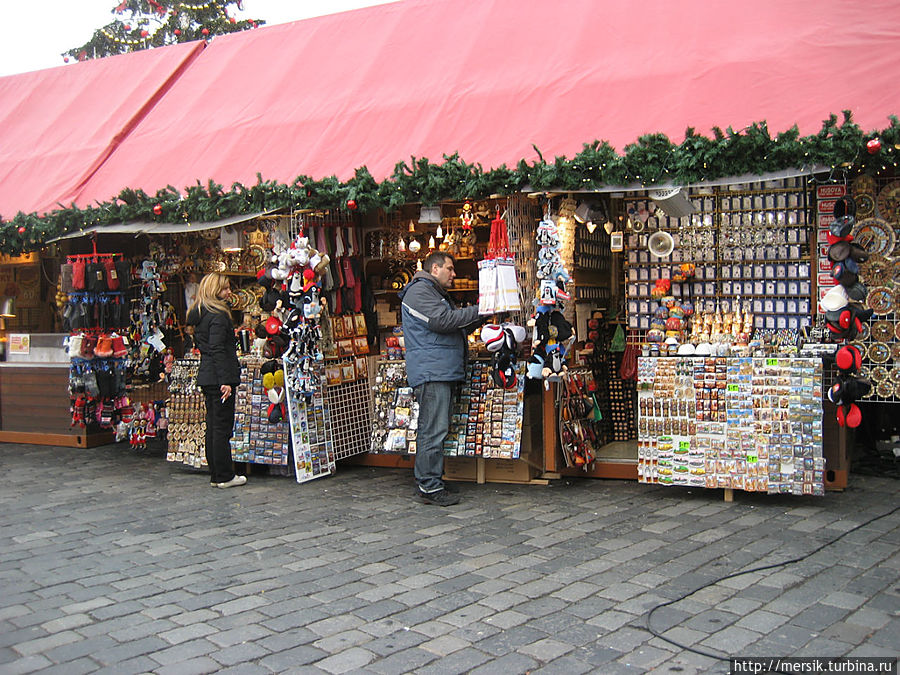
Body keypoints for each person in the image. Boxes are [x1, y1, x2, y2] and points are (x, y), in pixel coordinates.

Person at [399, 251, 482, 506]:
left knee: (437, 428)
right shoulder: (419, 293)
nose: (454, 274)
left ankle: (432, 480)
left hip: (439, 369)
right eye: (450, 269)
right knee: (433, 430)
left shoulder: (433, 293)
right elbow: (443, 321)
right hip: (432, 372)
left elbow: (455, 325)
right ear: (435, 269)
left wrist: (484, 315)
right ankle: (429, 486)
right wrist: (484, 308)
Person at [186, 272, 246, 489]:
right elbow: (218, 349)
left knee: (213, 425)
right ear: (214, 291)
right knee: (221, 426)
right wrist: (225, 380)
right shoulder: (218, 316)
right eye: (224, 289)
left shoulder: (200, 313)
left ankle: (217, 472)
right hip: (218, 375)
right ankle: (223, 474)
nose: (229, 292)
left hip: (207, 375)